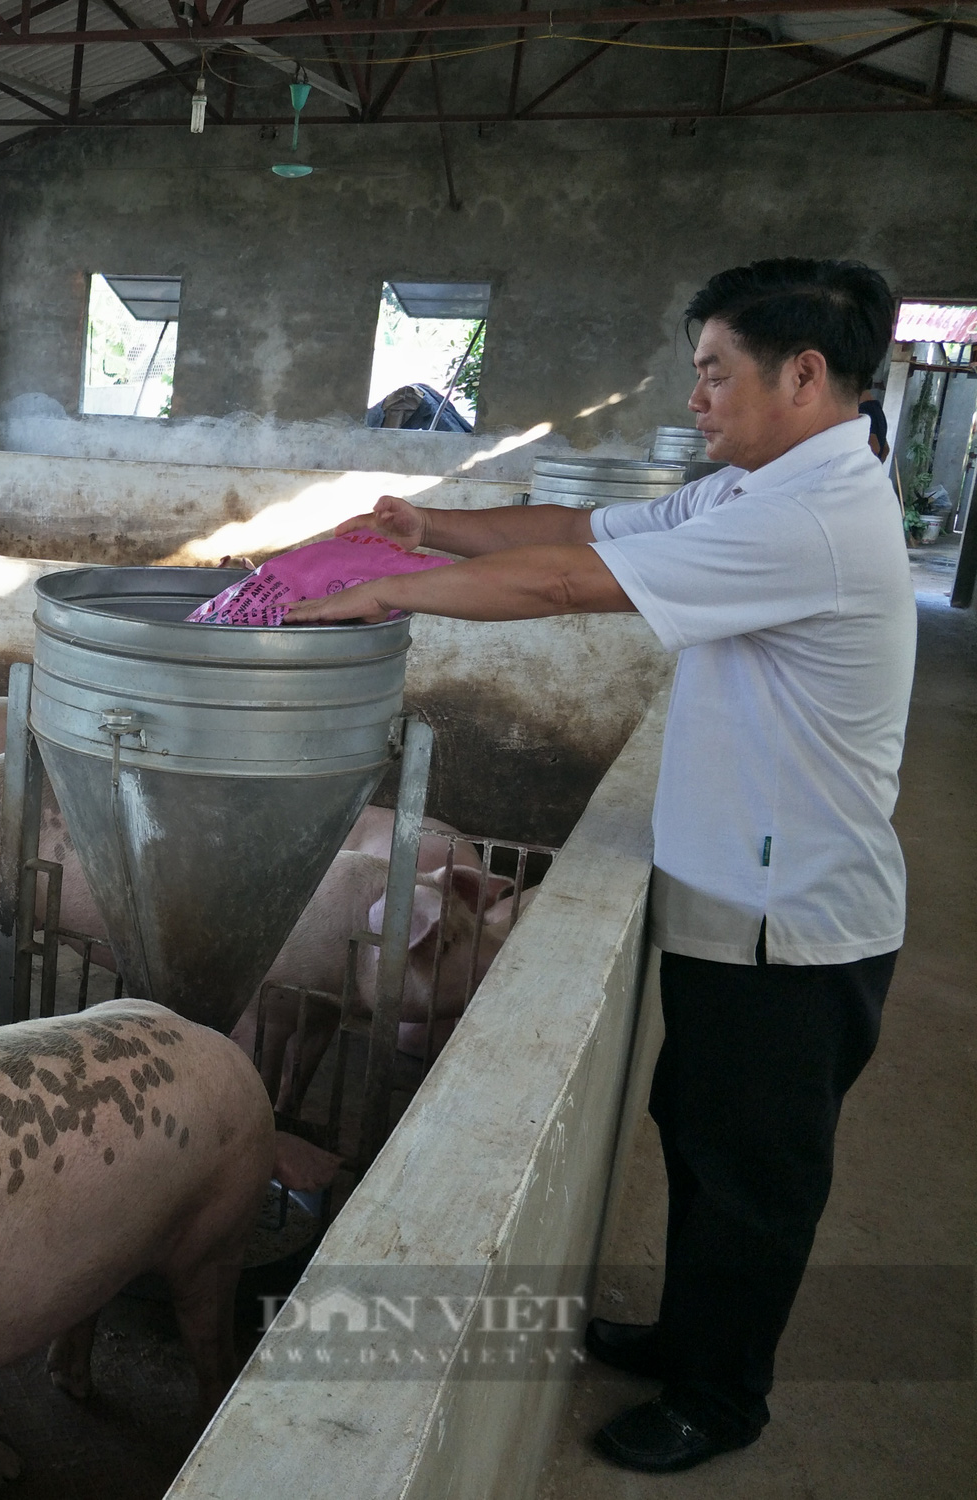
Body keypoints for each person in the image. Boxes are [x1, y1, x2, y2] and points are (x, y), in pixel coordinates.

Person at [286, 258, 912, 1474]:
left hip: (794, 920)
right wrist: (426, 530)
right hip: (740, 894)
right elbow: (575, 527)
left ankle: (721, 1397)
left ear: (802, 374)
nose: (696, 399)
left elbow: (573, 582)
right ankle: (689, 1334)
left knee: (752, 1172)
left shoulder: (809, 516)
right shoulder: (754, 488)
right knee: (695, 1126)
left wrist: (381, 596)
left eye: (713, 373)